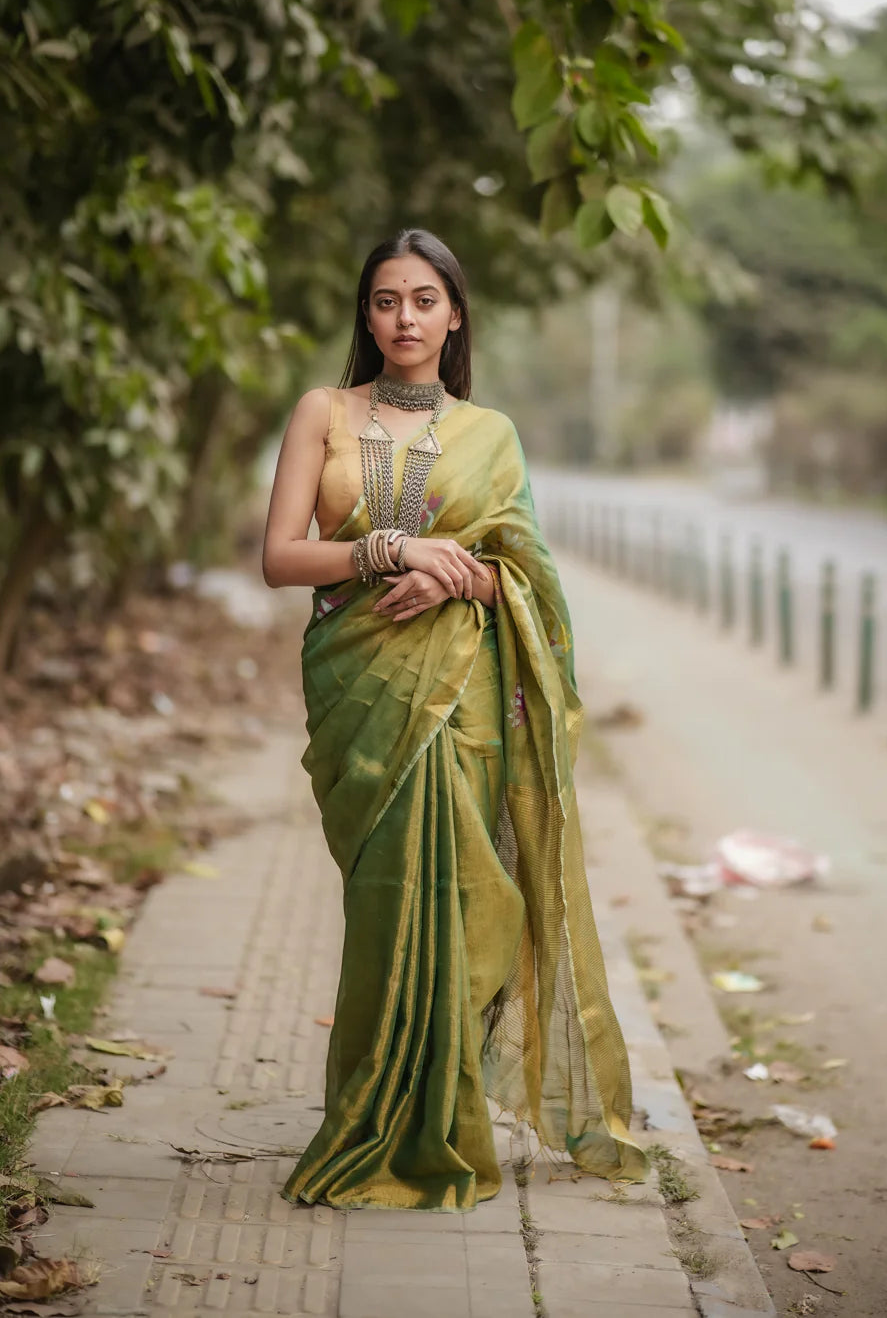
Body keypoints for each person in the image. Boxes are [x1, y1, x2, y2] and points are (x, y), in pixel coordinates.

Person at [261, 228, 647, 1212]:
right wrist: (390, 551)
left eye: (423, 300)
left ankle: (450, 1109)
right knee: (387, 904)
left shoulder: (493, 434)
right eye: (386, 300)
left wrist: (459, 572)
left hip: (463, 694)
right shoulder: (323, 413)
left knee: (479, 903)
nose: (403, 318)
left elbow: (522, 575)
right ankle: (375, 1122)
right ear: (367, 313)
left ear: (454, 314)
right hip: (362, 690)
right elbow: (280, 557)